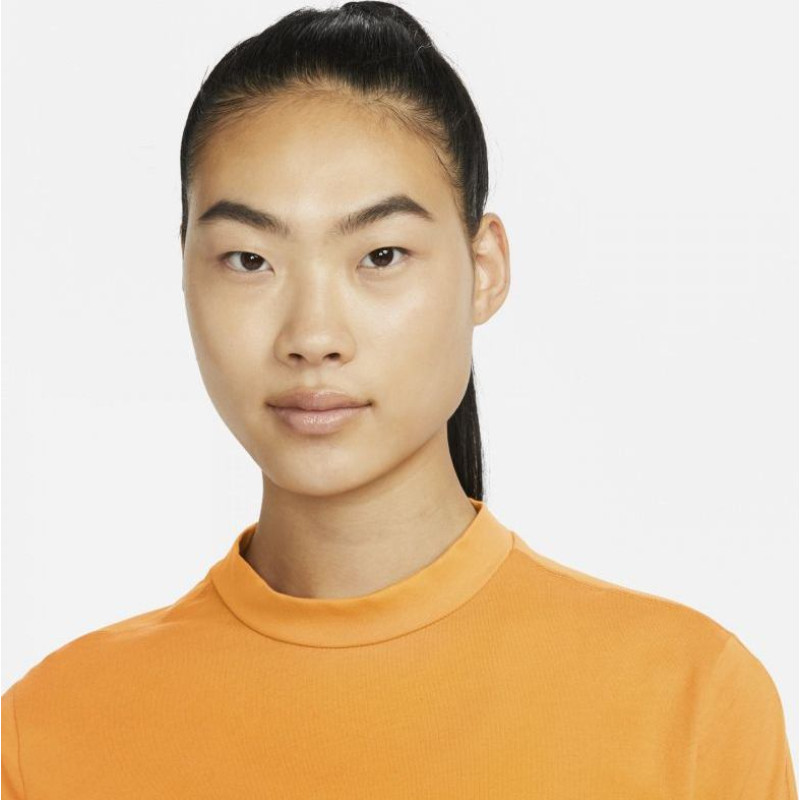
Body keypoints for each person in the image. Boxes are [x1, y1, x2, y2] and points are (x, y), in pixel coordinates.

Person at [2, 2, 796, 797]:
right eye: (249, 260)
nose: (313, 336)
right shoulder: (47, 734)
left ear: (484, 270)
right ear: (184, 270)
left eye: (381, 255)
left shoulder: (688, 703)